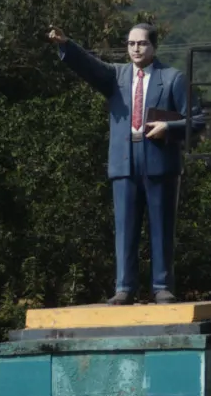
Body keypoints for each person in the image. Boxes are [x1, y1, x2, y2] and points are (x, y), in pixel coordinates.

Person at [49, 23, 201, 305]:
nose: (135, 49)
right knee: (125, 227)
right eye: (131, 44)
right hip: (124, 159)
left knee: (161, 227)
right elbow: (89, 65)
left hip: (159, 159)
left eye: (141, 43)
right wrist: (66, 45)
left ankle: (161, 286)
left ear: (153, 46)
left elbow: (197, 120)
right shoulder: (116, 77)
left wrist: (169, 127)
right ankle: (124, 287)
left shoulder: (172, 78)